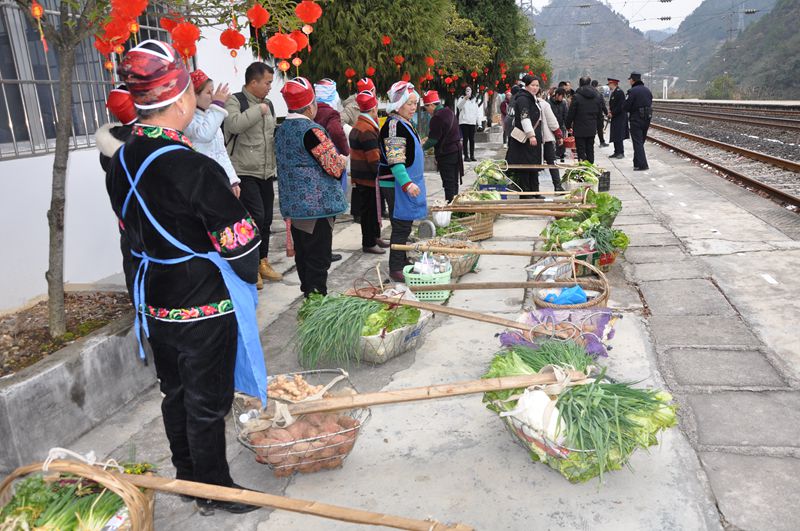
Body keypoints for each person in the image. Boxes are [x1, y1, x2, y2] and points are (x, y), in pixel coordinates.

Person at [107, 40, 265, 515]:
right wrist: (242, 273)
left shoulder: (120, 161)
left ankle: (189, 478)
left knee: (174, 394)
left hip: (154, 297)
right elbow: (241, 242)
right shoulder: (193, 166)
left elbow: (129, 234)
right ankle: (216, 489)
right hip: (201, 301)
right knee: (207, 400)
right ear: (179, 100)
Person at [276, 77, 348, 296]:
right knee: (318, 259)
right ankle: (317, 306)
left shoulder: (281, 130)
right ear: (310, 106)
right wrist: (343, 161)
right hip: (317, 208)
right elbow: (334, 166)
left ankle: (309, 298)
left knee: (304, 257)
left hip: (295, 207)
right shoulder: (311, 132)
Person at [224, 62, 282, 287]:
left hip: (265, 171)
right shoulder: (235, 101)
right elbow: (233, 124)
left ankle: (262, 262)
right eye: (267, 82)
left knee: (266, 219)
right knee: (254, 218)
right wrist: (258, 110)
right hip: (244, 171)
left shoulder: (268, 103)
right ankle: (249, 267)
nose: (269, 87)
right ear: (253, 82)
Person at [379, 81, 427, 282]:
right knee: (400, 226)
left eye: (415, 103)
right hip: (397, 184)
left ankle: (402, 259)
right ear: (398, 104)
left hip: (406, 182)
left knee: (405, 225)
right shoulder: (393, 126)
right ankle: (396, 267)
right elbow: (395, 159)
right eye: (410, 103)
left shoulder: (404, 123)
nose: (414, 107)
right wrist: (407, 183)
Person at [97, 85, 138, 302]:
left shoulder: (109, 141)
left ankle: (137, 304)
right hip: (150, 214)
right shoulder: (143, 138)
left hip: (125, 214)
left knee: (131, 259)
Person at [185, 70, 241, 197]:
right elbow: (205, 134)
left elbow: (221, 152)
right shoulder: (187, 119)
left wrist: (233, 180)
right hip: (199, 183)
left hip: (218, 180)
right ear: (194, 95)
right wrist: (218, 105)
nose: (213, 96)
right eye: (208, 92)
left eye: (213, 91)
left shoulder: (211, 116)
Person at [349, 90, 391, 254]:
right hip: (367, 178)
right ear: (373, 109)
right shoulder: (366, 129)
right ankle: (368, 242)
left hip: (363, 176)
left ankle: (375, 236)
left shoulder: (361, 124)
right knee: (369, 212)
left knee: (374, 210)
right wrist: (383, 171)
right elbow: (373, 158)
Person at [422, 90, 463, 202]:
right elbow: (443, 133)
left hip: (446, 154)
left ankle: (450, 208)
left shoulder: (437, 117)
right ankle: (455, 205)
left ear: (431, 105)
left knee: (448, 183)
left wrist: (421, 148)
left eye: (426, 107)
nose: (427, 111)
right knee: (454, 182)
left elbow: (433, 140)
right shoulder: (449, 111)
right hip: (456, 151)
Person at [505, 74, 543, 194]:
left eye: (537, 85)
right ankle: (526, 193)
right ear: (526, 86)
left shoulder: (532, 98)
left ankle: (535, 191)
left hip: (532, 137)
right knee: (526, 166)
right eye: (532, 85)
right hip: (526, 138)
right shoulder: (523, 99)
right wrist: (531, 135)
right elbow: (524, 118)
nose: (535, 88)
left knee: (533, 165)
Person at [566, 76, 603, 164]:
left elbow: (571, 113)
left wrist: (568, 125)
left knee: (581, 150)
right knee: (590, 149)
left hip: (579, 128)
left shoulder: (576, 96)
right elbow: (600, 114)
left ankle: (582, 169)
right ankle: (591, 167)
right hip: (592, 128)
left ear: (580, 84)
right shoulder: (597, 96)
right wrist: (599, 127)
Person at [623, 72, 653, 171]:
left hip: (636, 119)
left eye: (629, 79)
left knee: (637, 142)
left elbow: (626, 107)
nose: (629, 81)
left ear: (632, 80)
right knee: (641, 142)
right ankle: (636, 163)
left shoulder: (632, 91)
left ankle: (643, 165)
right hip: (647, 119)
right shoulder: (647, 91)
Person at [538, 87, 565, 191]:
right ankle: (557, 186)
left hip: (532, 139)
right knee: (551, 161)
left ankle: (533, 188)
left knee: (533, 164)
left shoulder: (525, 103)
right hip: (546, 138)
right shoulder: (545, 104)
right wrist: (559, 135)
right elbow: (553, 122)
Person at [456, 86, 481, 162]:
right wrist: (465, 98)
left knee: (472, 139)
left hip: (472, 122)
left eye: (469, 90)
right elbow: (459, 106)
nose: (468, 91)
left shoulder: (474, 100)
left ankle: (472, 155)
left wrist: (479, 123)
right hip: (464, 122)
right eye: (467, 90)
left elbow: (477, 112)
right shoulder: (461, 98)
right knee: (465, 139)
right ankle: (466, 156)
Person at [607, 77, 629, 159]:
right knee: (615, 134)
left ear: (613, 83)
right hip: (615, 116)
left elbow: (620, 106)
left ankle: (621, 152)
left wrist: (612, 113)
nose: (609, 85)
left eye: (609, 84)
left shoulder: (619, 92)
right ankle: (616, 151)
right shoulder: (613, 92)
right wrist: (610, 111)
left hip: (620, 117)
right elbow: (612, 104)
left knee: (619, 135)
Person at [549, 88, 568, 162]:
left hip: (561, 125)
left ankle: (561, 155)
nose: (562, 98)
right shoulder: (549, 103)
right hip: (552, 126)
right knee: (553, 142)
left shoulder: (563, 103)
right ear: (557, 95)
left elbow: (566, 115)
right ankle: (553, 155)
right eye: (561, 96)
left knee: (561, 141)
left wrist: (567, 126)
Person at [591, 79, 609, 147]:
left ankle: (591, 142)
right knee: (600, 129)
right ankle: (602, 142)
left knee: (591, 129)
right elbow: (603, 106)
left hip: (590, 115)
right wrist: (607, 113)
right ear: (597, 85)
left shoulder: (588, 93)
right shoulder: (599, 94)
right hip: (598, 115)